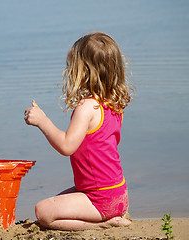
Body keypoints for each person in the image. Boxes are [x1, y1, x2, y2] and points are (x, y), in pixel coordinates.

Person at [24, 31, 133, 231]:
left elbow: (67, 146)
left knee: (43, 212)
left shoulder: (86, 107)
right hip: (117, 193)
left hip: (100, 198)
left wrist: (42, 121)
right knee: (56, 202)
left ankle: (103, 224)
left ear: (83, 72)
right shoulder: (113, 105)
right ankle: (110, 214)